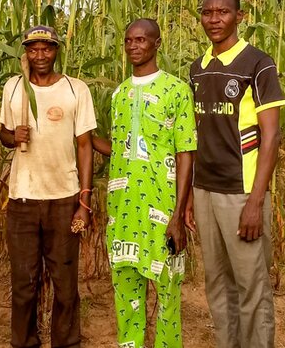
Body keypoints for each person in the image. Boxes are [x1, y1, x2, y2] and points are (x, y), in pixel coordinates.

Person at [188, 0, 285, 348]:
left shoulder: (257, 63)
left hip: (241, 191)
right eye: (207, 13)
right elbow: (196, 135)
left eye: (223, 13)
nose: (214, 20)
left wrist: (255, 202)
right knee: (216, 283)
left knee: (251, 286)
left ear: (239, 17)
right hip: (205, 190)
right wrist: (187, 201)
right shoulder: (197, 69)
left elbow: (271, 136)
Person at [91, 18, 196, 348]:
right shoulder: (119, 94)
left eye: (141, 40)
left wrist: (178, 215)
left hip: (163, 211)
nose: (134, 46)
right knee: (126, 299)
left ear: (157, 43)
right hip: (122, 214)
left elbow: (185, 154)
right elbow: (121, 147)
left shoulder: (176, 90)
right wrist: (86, 138)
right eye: (128, 41)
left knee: (168, 297)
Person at [0, 25, 97, 348]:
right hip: (23, 199)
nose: (40, 55)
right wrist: (14, 138)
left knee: (65, 285)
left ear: (57, 51)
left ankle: (66, 342)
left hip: (63, 198)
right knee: (24, 284)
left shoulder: (75, 89)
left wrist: (84, 198)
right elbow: (3, 134)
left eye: (47, 48)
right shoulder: (14, 88)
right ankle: (24, 342)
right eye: (33, 49)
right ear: (25, 52)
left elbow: (85, 145)